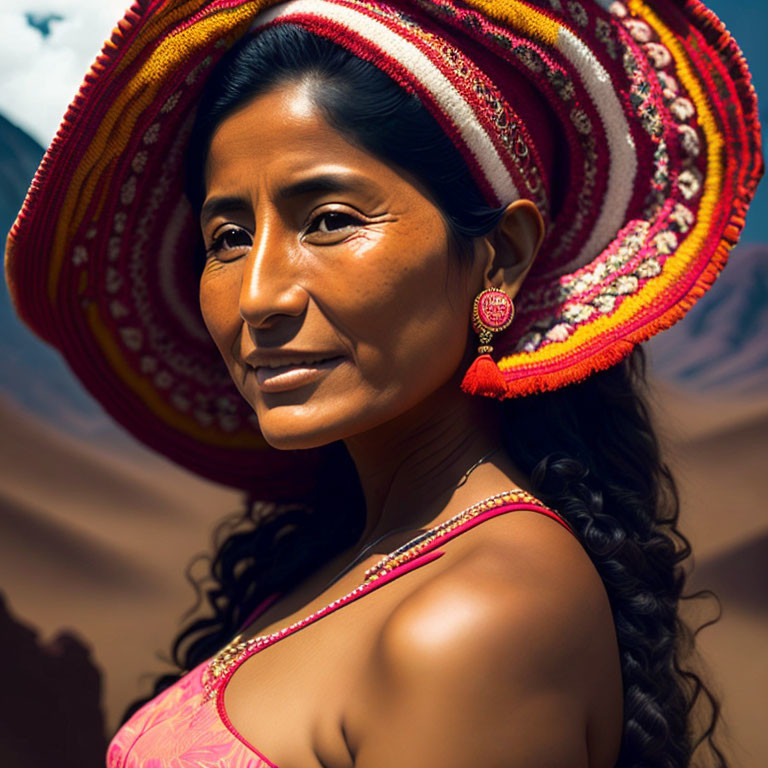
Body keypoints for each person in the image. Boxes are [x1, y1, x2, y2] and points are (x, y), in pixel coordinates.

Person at [4, 0, 762, 766]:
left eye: (329, 220)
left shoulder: (477, 618)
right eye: (228, 237)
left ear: (500, 254)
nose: (260, 295)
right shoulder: (356, 556)